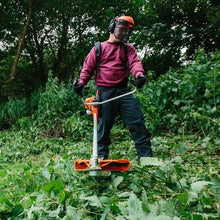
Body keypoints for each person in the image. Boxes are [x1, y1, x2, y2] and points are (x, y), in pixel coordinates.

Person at [74, 16, 152, 159]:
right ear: (112, 28)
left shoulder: (128, 49)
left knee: (137, 123)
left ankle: (147, 159)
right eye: (121, 29)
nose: (123, 33)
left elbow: (135, 63)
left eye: (126, 31)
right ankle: (101, 158)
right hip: (105, 92)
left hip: (124, 92)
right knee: (103, 128)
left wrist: (139, 75)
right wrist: (81, 83)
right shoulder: (98, 48)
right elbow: (87, 69)